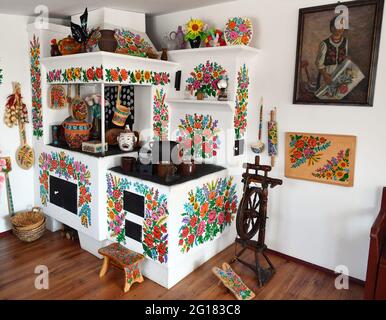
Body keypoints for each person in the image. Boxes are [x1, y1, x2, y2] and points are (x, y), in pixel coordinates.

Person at [315, 16, 348, 90]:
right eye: (338, 26)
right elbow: (318, 63)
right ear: (332, 28)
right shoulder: (324, 44)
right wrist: (326, 76)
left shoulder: (346, 41)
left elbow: (345, 58)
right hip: (326, 77)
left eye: (342, 26)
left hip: (340, 76)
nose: (341, 28)